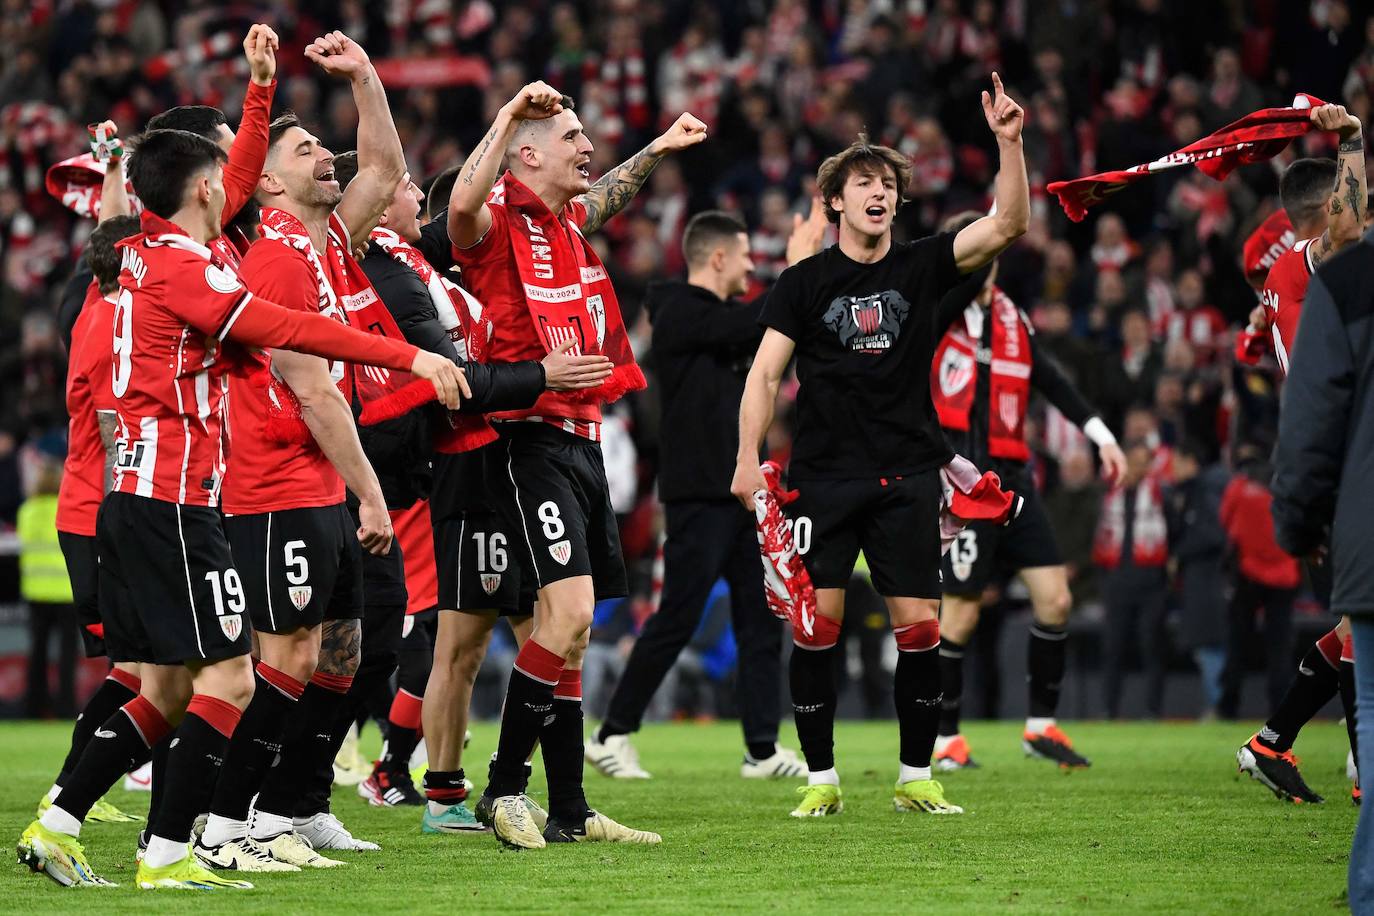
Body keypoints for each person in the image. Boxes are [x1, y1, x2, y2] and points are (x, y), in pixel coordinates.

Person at [15, 126, 463, 890]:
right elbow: (289, 329)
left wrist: (259, 89)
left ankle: (56, 825)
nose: (238, 181)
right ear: (203, 189)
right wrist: (411, 355)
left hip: (140, 499)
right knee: (231, 680)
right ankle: (170, 854)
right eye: (225, 172)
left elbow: (237, 177)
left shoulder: (148, 254)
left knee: (164, 688)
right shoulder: (187, 271)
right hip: (175, 506)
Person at [731, 72, 1028, 818]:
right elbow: (765, 375)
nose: (880, 194)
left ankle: (914, 776)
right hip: (822, 478)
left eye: (888, 185)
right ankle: (822, 782)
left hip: (905, 474)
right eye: (864, 183)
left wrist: (1010, 144)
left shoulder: (923, 263)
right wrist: (746, 459)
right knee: (817, 629)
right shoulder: (803, 284)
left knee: (919, 630)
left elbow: (1007, 226)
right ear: (836, 201)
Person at [196, 32, 453, 868]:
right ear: (268, 180)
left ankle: (301, 805)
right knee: (291, 657)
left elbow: (381, 166)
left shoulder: (329, 241)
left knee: (360, 647)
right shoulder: (274, 260)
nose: (325, 158)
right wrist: (373, 493)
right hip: (282, 482)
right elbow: (310, 389)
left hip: (330, 483)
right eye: (306, 149)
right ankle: (237, 815)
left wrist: (368, 77)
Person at [448, 80, 706, 848]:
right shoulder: (495, 222)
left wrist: (657, 148)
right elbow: (457, 211)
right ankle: (501, 791)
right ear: (526, 154)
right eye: (572, 139)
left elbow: (611, 198)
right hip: (527, 441)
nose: (588, 149)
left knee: (577, 632)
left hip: (584, 438)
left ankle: (569, 809)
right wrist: (504, 115)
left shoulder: (567, 223)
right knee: (562, 614)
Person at [335, 152, 610, 828]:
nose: (408, 192)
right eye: (398, 187)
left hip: (499, 456)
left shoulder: (424, 261)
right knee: (460, 641)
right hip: (465, 463)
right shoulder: (392, 274)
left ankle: (553, 801)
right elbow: (456, 378)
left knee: (543, 629)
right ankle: (445, 789)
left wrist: (655, 151)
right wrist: (541, 376)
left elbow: (574, 208)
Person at [586, 207, 828, 781]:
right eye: (744, 255)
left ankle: (761, 750)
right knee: (678, 616)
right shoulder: (676, 312)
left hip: (745, 491)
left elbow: (757, 327)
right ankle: (612, 735)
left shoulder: (722, 316)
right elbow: (751, 325)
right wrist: (795, 270)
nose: (750, 265)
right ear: (718, 258)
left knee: (760, 618)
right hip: (699, 493)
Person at [929, 211, 1126, 772]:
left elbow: (1053, 382)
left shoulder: (1013, 318)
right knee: (960, 617)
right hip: (961, 482)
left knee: (1056, 599)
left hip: (1015, 482)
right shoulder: (937, 311)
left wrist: (1101, 436)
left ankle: (1040, 727)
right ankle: (944, 739)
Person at [1238, 101, 1366, 804]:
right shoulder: (1310, 261)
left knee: (1357, 620)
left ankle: (1275, 741)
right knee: (1361, 619)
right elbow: (1351, 228)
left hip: (1328, 456)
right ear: (1323, 215)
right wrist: (1350, 138)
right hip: (1336, 461)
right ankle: (1360, 765)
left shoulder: (1289, 277)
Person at [1269, 228, 1374, 910]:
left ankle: (1274, 738)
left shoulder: (1346, 280)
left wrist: (1299, 524)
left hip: (1368, 529)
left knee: (1373, 707)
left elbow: (1310, 421)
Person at [1218, 450, 1300, 717]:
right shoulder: (1286, 487)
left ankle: (1228, 707)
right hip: (1285, 575)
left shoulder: (1240, 488)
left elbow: (1224, 521)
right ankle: (1281, 710)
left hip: (1248, 574)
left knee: (1237, 644)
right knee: (1280, 648)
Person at [1094, 439, 1170, 719]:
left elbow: (1172, 532)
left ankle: (1153, 709)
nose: (1139, 467)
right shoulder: (1107, 492)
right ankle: (1109, 709)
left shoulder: (1162, 494)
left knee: (1152, 646)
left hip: (1151, 581)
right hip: (1117, 580)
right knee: (1113, 647)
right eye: (1134, 461)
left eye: (1144, 462)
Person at [1165, 439, 1230, 718]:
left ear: (1191, 462)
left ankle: (1219, 704)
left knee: (1209, 646)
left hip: (1208, 582)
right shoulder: (1192, 492)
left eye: (1177, 462)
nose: (1173, 469)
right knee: (1205, 647)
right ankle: (1218, 703)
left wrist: (1179, 552)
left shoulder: (1205, 491)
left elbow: (1214, 534)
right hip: (1199, 583)